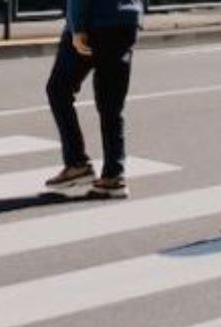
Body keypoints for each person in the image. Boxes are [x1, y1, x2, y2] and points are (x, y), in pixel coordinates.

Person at [43, 0, 142, 198]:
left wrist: (77, 27)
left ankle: (77, 164)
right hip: (126, 21)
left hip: (94, 20)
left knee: (59, 90)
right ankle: (114, 175)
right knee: (111, 105)